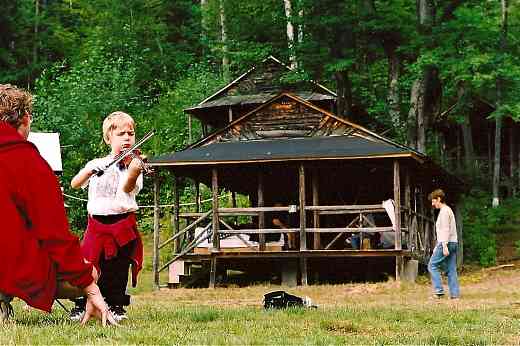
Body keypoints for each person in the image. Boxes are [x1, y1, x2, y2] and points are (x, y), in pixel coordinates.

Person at [0, 84, 115, 326]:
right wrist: (89, 285)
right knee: (89, 270)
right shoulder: (28, 161)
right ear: (25, 118)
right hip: (9, 264)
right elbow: (54, 234)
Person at [69, 111, 144, 322]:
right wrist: (90, 170)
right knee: (89, 264)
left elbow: (129, 187)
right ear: (108, 138)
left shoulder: (133, 164)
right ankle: (81, 304)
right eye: (121, 133)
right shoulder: (97, 163)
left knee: (118, 267)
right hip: (97, 224)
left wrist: (134, 172)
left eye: (131, 133)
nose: (127, 137)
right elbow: (75, 183)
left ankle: (116, 305)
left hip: (122, 223)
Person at [428, 189, 460, 299]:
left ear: (439, 199)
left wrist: (444, 246)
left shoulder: (445, 211)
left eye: (433, 201)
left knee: (432, 265)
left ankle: (439, 291)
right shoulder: (447, 210)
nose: (433, 204)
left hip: (447, 243)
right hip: (453, 242)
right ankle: (455, 295)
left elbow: (446, 229)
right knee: (451, 269)